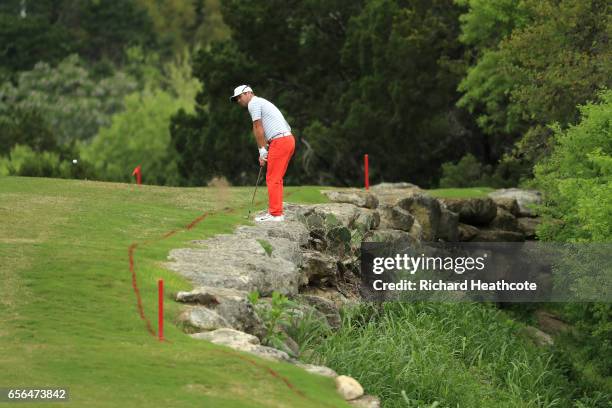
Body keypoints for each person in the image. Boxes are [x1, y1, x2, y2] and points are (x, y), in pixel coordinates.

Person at [230, 85, 295, 222]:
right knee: (275, 177)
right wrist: (266, 151)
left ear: (248, 93)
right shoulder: (261, 102)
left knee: (273, 178)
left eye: (239, 97)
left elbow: (257, 127)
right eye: (236, 100)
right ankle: (275, 212)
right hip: (285, 139)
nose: (239, 101)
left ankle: (276, 214)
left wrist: (262, 150)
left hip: (281, 140)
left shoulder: (253, 103)